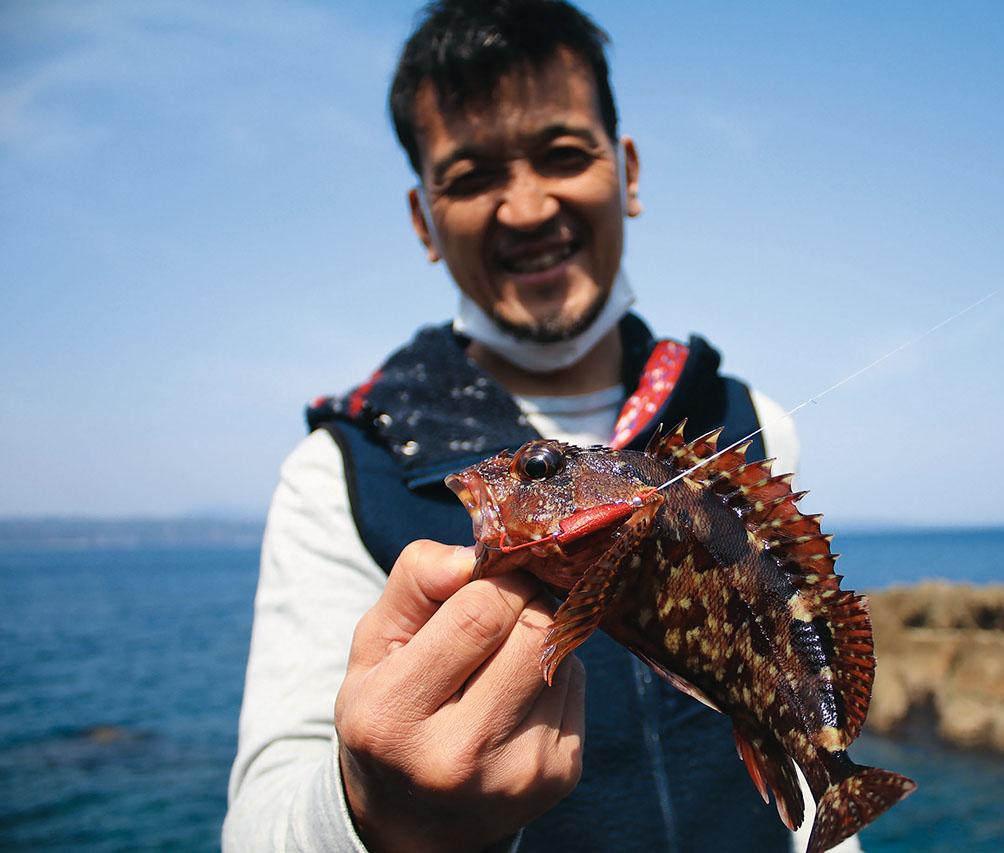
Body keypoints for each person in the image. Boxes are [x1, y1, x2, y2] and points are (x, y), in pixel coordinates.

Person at [224, 1, 854, 850]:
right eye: (472, 174)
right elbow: (259, 823)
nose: (526, 209)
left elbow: (808, 768)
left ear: (626, 172)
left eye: (563, 155)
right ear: (423, 220)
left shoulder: (747, 422)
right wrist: (373, 808)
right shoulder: (340, 469)